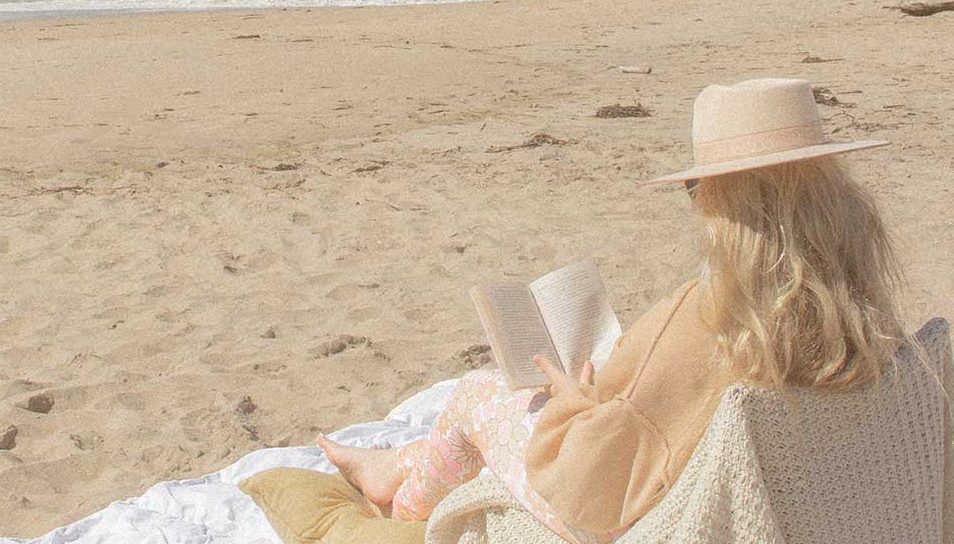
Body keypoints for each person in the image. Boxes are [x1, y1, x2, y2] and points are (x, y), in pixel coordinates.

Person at [315, 78, 909, 543]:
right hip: (768, 504)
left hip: (655, 523)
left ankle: (400, 509)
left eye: (697, 187)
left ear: (726, 205)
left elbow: (590, 488)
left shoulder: (710, 318)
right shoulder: (865, 316)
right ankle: (394, 465)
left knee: (478, 393)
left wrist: (570, 402)